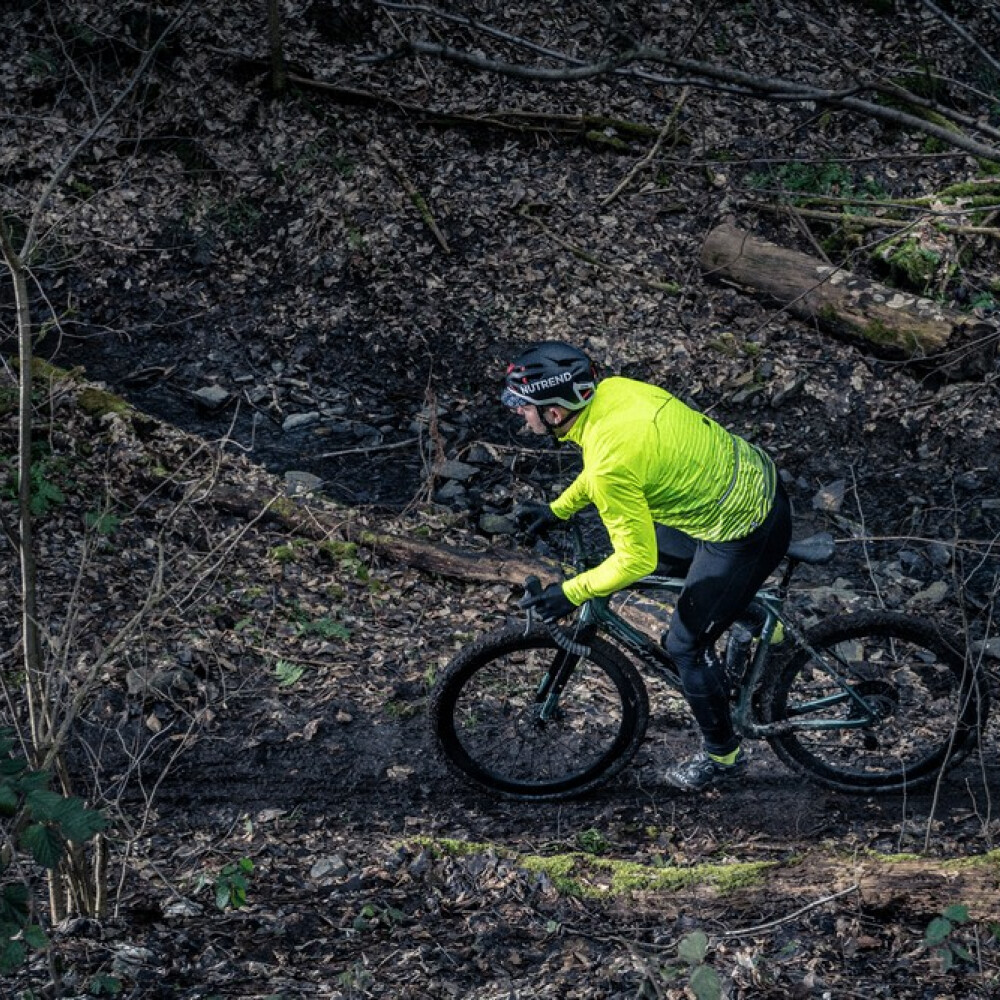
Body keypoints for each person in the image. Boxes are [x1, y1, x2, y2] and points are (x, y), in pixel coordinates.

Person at [502, 340, 792, 792]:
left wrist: (570, 591)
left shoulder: (608, 462)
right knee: (674, 568)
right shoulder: (614, 391)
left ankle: (724, 757)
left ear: (555, 414)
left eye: (525, 407)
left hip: (745, 526)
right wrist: (559, 509)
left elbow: (635, 555)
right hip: (749, 479)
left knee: (683, 645)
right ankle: (756, 618)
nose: (521, 414)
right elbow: (606, 465)